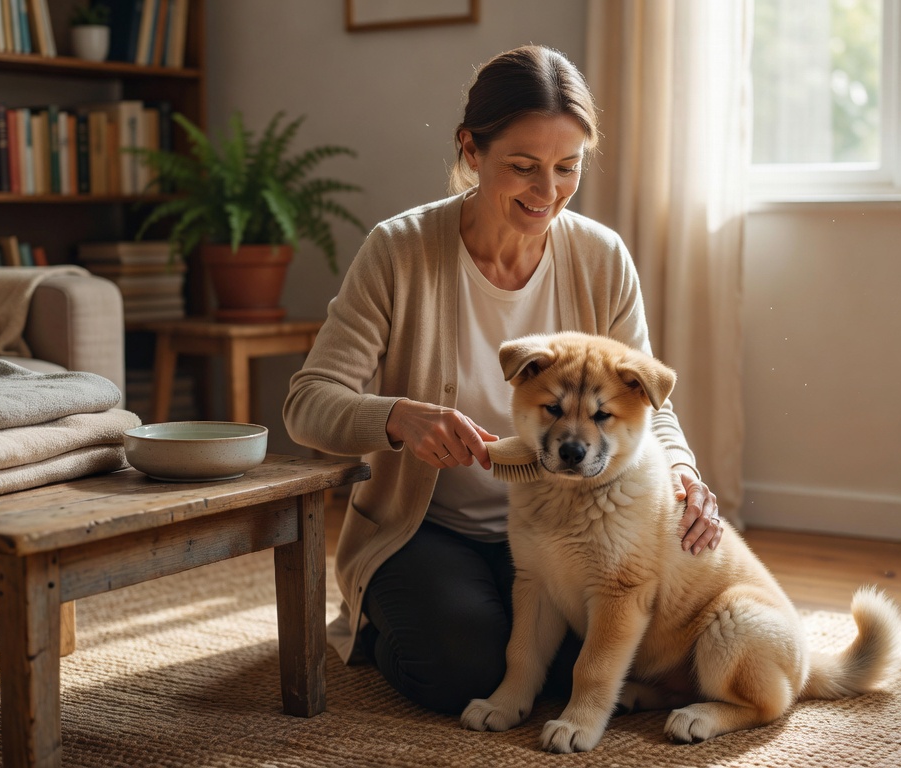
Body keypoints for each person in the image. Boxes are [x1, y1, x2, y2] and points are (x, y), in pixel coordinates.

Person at [283, 44, 723, 715]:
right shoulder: (398, 251)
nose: (547, 193)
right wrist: (400, 417)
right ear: (471, 150)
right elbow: (308, 405)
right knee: (465, 667)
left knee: (654, 636)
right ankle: (390, 616)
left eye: (566, 168)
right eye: (523, 167)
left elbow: (646, 406)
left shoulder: (602, 258)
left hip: (569, 529)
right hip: (431, 530)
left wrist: (683, 472)